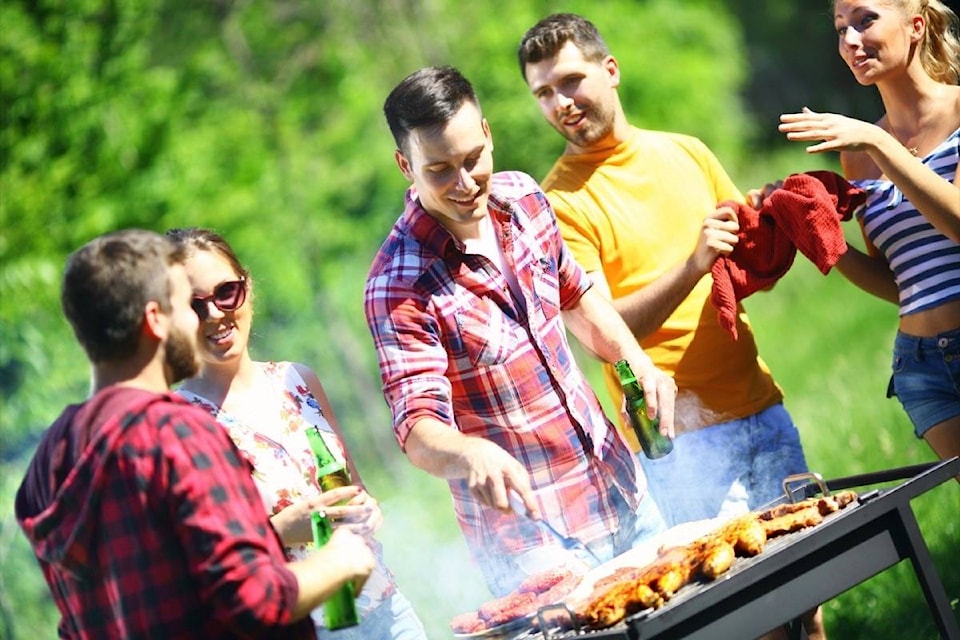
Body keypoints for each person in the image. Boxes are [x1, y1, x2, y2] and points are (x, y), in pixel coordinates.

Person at [518, 14, 824, 639]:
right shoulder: (558, 204)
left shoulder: (685, 150)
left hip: (761, 402)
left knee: (811, 600)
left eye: (571, 81)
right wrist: (693, 263)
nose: (560, 103)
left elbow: (746, 268)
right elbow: (600, 330)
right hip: (683, 442)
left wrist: (777, 217)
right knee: (756, 616)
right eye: (543, 93)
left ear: (610, 70)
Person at [365, 65, 678, 597]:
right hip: (534, 546)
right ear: (405, 166)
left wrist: (636, 362)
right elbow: (417, 428)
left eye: (472, 160)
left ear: (487, 134)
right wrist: (470, 455)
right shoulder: (397, 286)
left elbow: (576, 297)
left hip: (619, 486)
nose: (465, 185)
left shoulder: (525, 199)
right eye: (440, 170)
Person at [14, 229, 374, 639]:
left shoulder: (49, 459)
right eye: (186, 305)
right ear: (156, 320)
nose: (202, 319)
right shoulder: (177, 433)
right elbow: (253, 598)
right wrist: (339, 561)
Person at [168, 227, 428, 640]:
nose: (215, 313)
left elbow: (354, 490)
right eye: (194, 306)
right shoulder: (178, 427)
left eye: (225, 293)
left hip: (385, 610)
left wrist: (367, 510)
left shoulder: (297, 380)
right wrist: (279, 530)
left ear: (247, 289)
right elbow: (193, 569)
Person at [779, 0, 960, 474]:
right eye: (841, 29)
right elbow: (900, 283)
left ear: (915, 25)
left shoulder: (954, 111)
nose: (850, 40)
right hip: (922, 367)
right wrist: (824, 242)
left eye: (865, 20)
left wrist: (878, 144)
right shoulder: (858, 156)